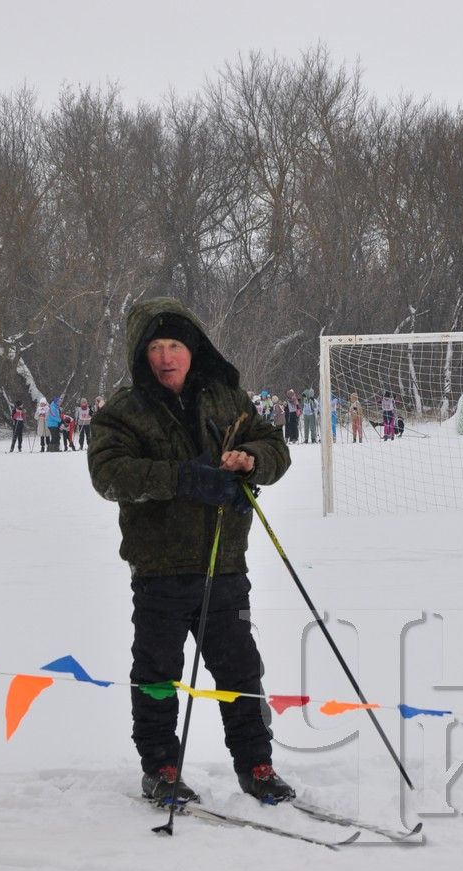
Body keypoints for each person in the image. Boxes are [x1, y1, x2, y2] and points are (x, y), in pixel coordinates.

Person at [87, 297, 294, 806]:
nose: (165, 357)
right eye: (155, 347)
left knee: (240, 671)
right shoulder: (123, 410)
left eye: (174, 345)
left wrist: (251, 460)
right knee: (157, 674)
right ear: (141, 353)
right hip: (159, 569)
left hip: (224, 564)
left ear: (192, 347)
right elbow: (109, 475)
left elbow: (275, 447)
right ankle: (161, 767)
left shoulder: (227, 397)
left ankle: (256, 765)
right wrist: (182, 478)